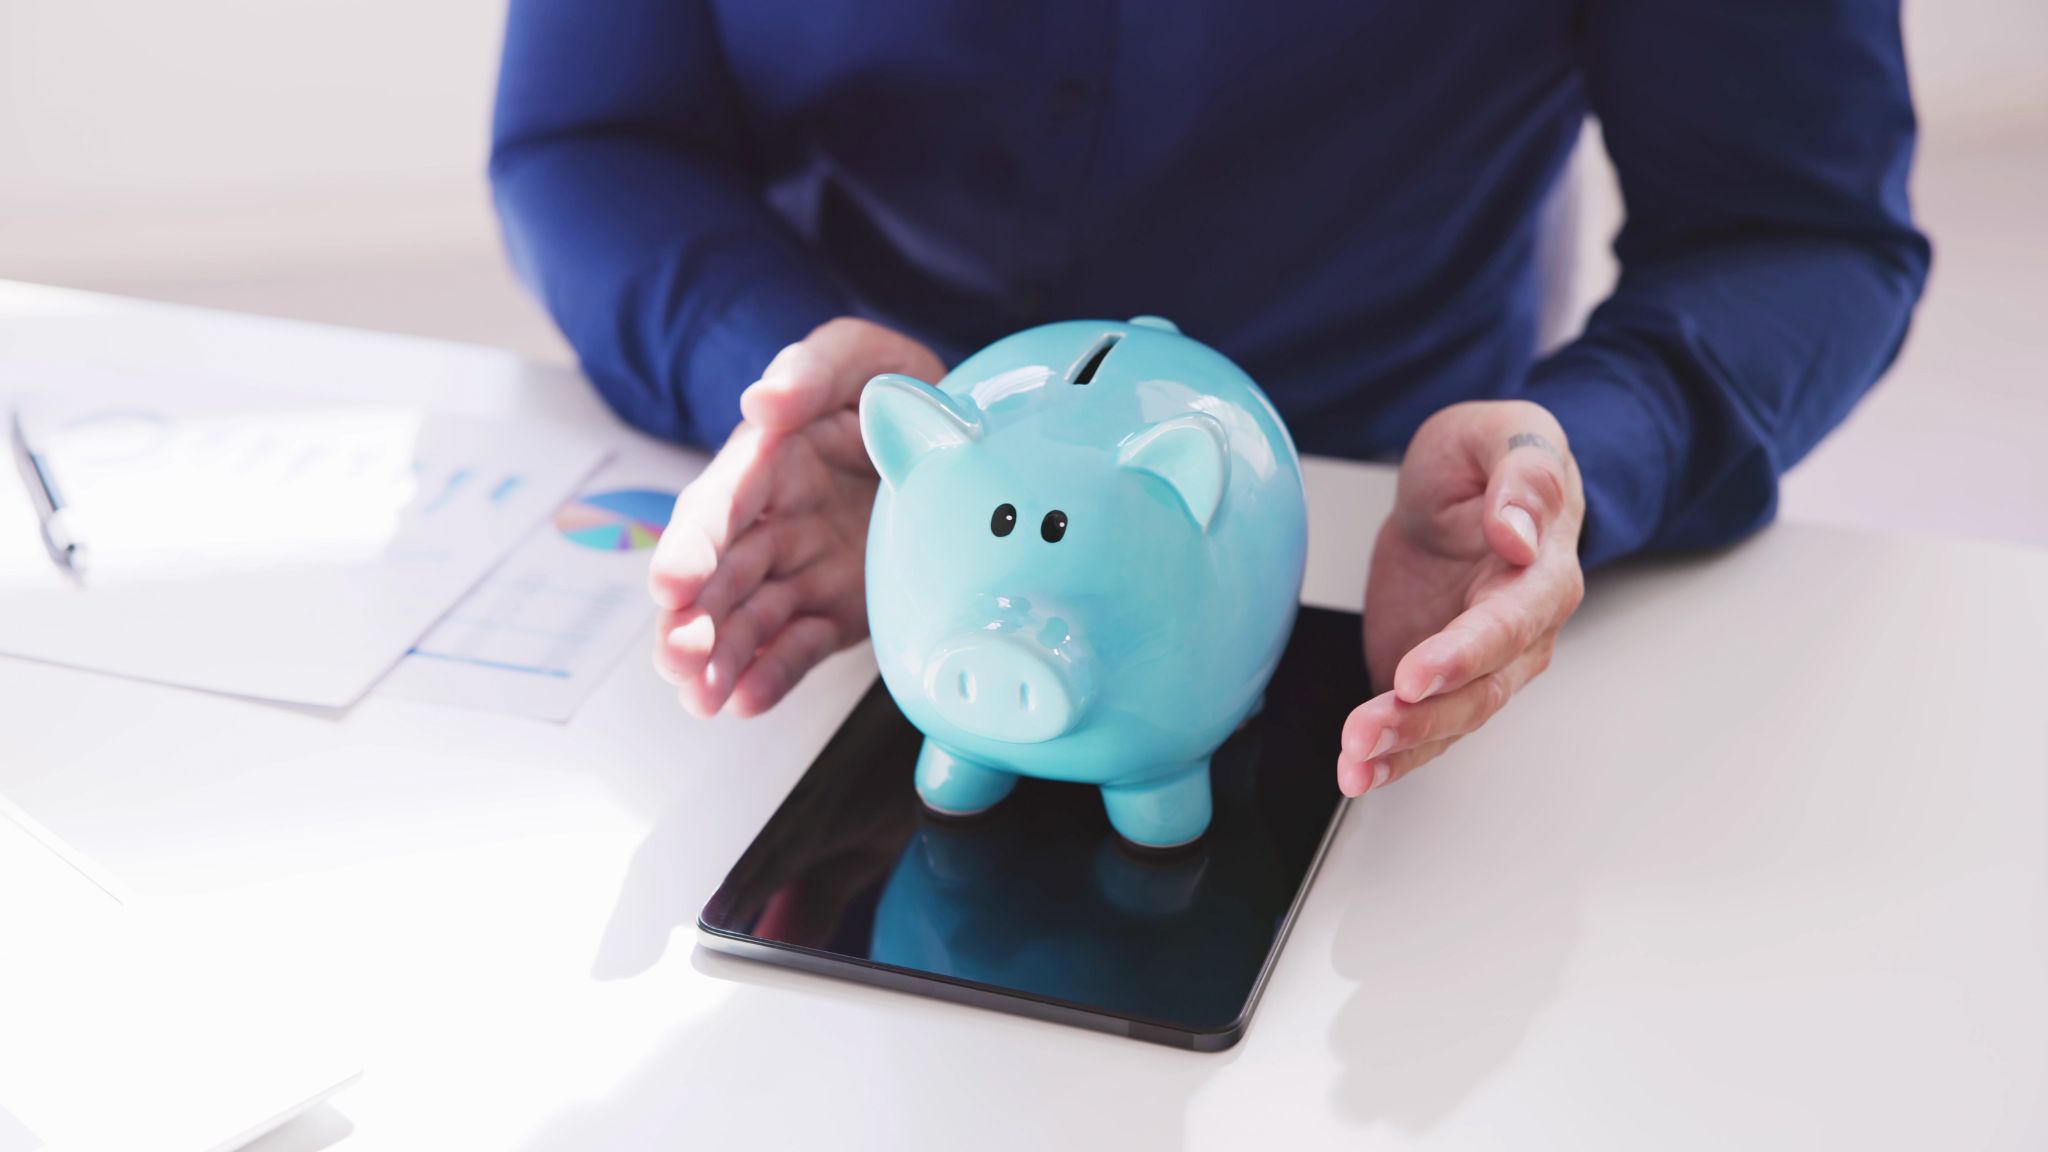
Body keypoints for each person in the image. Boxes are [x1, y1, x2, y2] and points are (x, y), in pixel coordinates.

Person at [490, 2, 1927, 798]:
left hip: (1380, 495)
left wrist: (1586, 453)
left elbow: (1797, 229)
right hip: (879, 481)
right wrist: (772, 365)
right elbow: (593, 134)